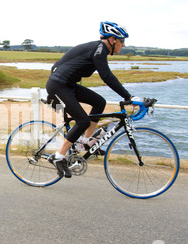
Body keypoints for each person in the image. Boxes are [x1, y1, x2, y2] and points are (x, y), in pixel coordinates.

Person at [46, 21, 139, 178]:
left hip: (67, 85)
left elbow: (57, 65)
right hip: (59, 86)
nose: (123, 45)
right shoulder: (100, 49)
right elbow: (106, 76)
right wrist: (128, 97)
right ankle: (58, 156)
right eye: (122, 41)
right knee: (82, 121)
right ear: (112, 39)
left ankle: (87, 141)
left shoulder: (99, 49)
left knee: (99, 102)